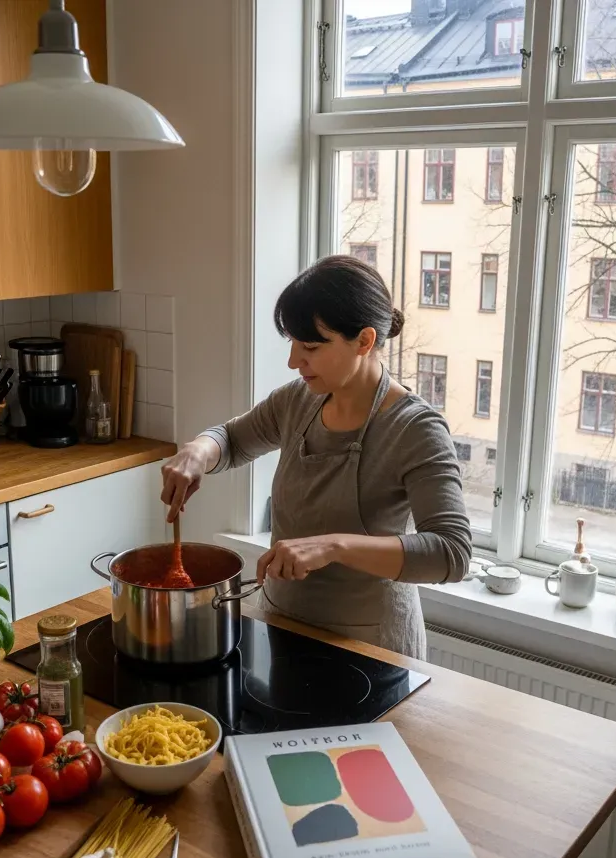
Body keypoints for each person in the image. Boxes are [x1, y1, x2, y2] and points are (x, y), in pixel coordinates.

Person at [160, 255, 471, 658]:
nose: (293, 361)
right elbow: (232, 439)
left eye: (310, 346)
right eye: (292, 343)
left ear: (364, 341)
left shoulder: (415, 429)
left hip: (371, 649)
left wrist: (334, 546)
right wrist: (197, 451)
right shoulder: (298, 400)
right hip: (283, 625)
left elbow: (452, 552)